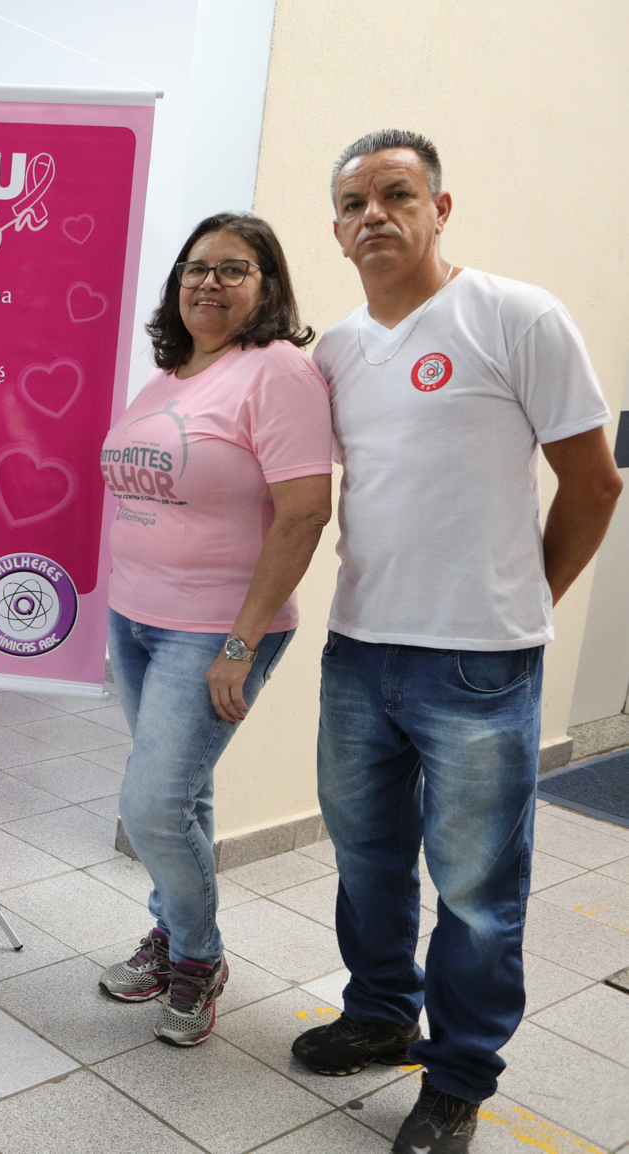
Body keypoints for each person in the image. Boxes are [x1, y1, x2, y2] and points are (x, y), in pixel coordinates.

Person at [292, 130, 620, 1154]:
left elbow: (596, 480)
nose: (374, 215)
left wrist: (520, 600)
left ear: (441, 208)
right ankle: (382, 1009)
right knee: (368, 857)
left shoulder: (514, 315)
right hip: (358, 650)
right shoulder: (336, 351)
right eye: (354, 203)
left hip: (478, 663)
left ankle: (460, 1073)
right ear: (338, 228)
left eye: (397, 194)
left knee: (478, 890)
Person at [96, 213, 333, 1044]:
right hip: (136, 619)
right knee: (181, 797)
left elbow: (304, 514)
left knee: (152, 807)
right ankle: (171, 935)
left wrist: (241, 642)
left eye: (234, 269)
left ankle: (198, 957)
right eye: (196, 268)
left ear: (266, 285)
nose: (209, 282)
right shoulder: (166, 377)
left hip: (217, 628)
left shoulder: (277, 372)